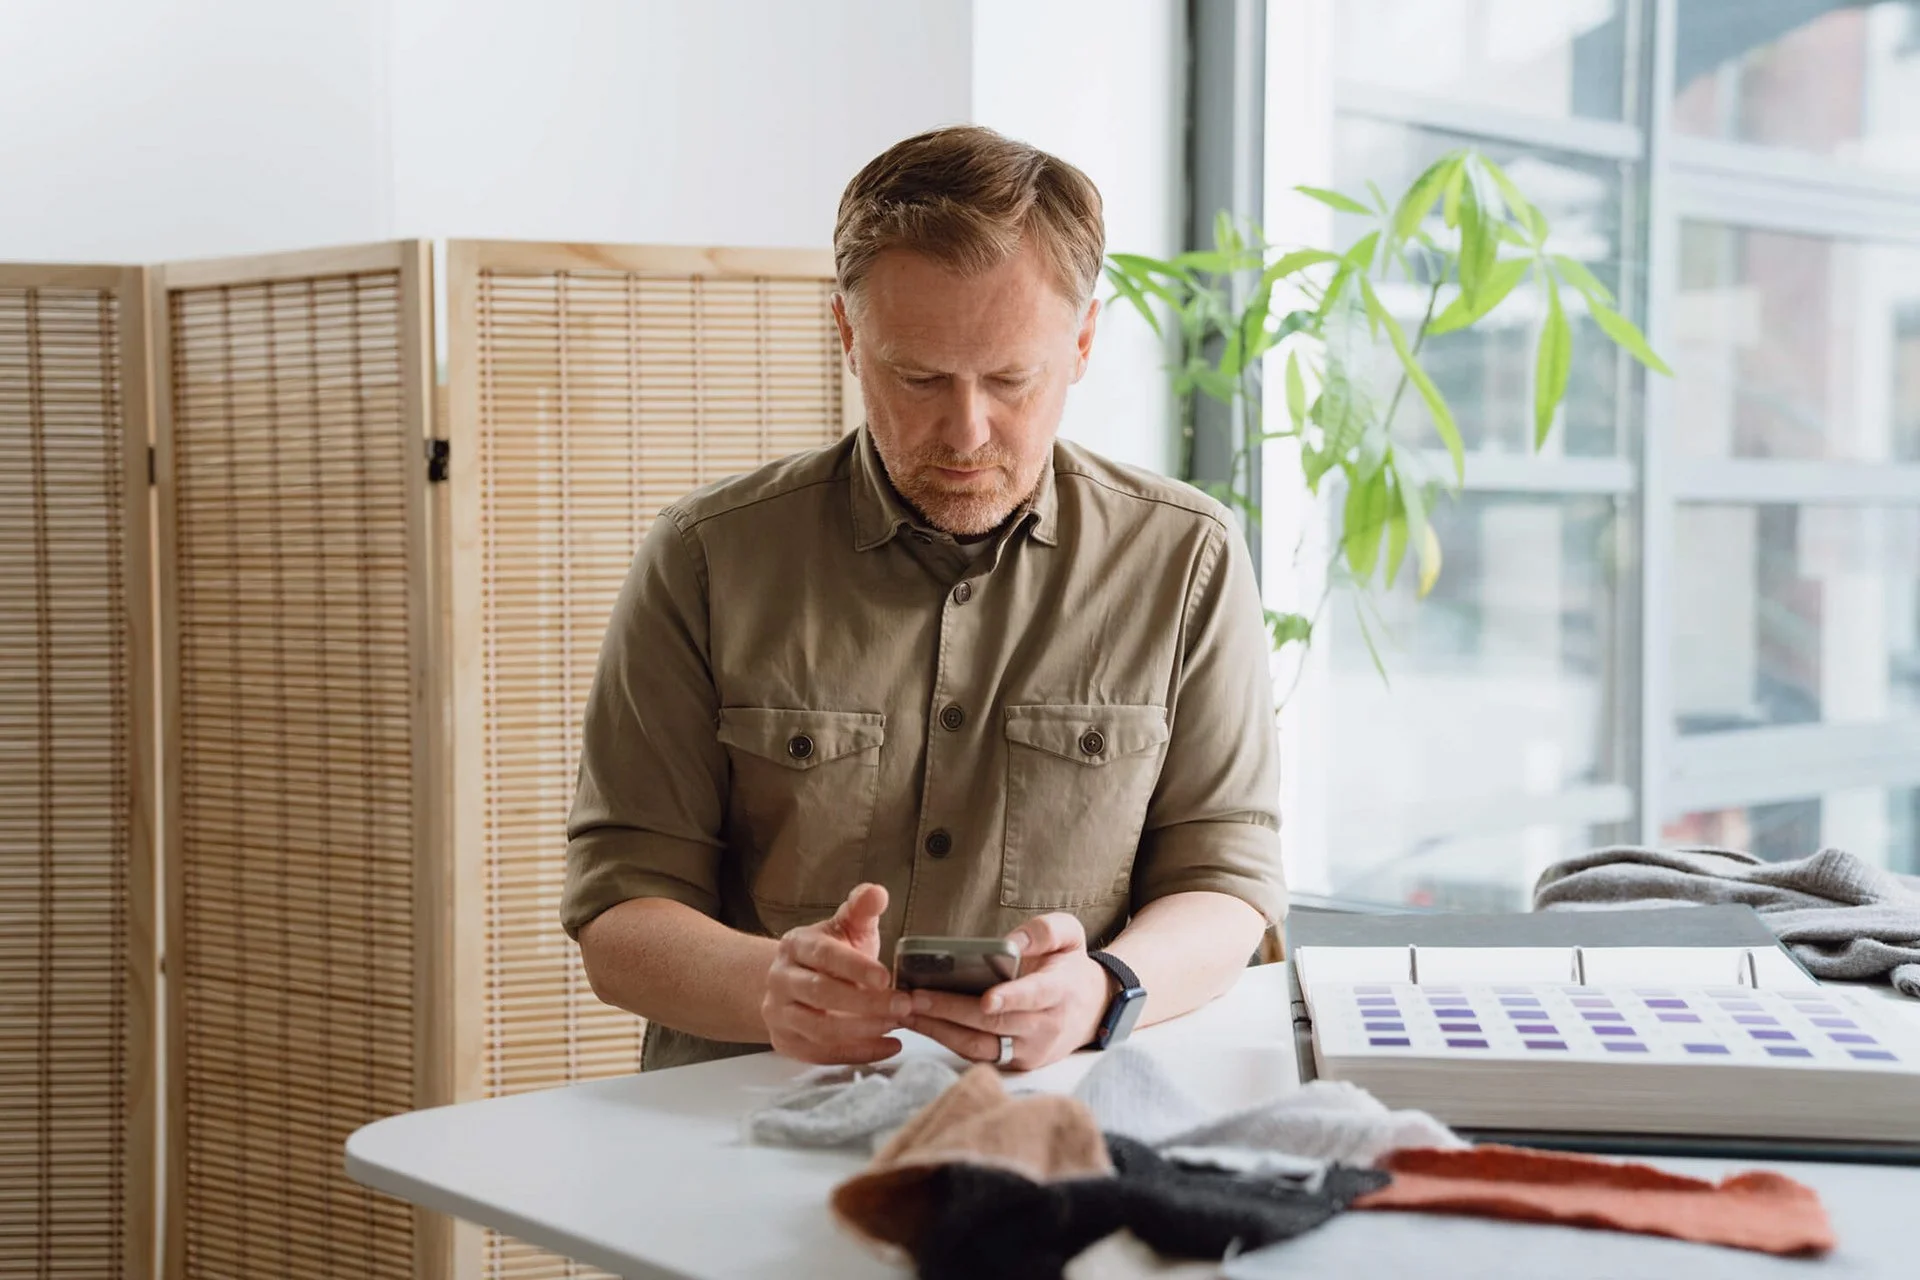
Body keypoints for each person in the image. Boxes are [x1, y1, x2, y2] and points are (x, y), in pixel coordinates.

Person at [563, 124, 1285, 1073]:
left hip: (1069, 1122)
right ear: (848, 337)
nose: (967, 430)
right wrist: (770, 986)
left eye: (1011, 379)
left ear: (1082, 342)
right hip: (744, 1120)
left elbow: (1227, 880)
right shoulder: (705, 558)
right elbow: (620, 913)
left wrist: (1106, 988)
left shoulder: (1186, 558)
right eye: (919, 378)